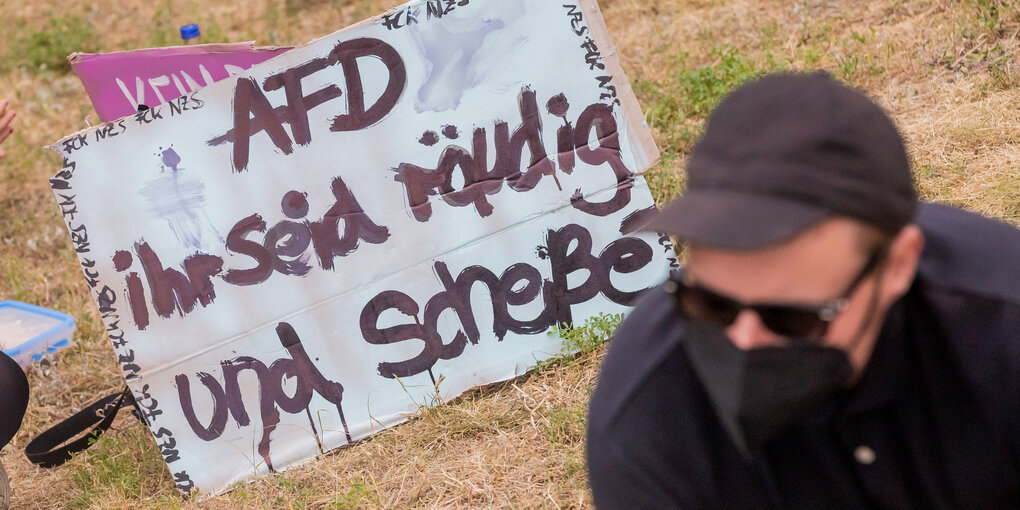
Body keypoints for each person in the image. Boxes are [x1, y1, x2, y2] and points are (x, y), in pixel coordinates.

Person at [587, 72, 1020, 509]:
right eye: (712, 305)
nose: (744, 341)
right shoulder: (647, 422)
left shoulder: (1004, 331)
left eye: (793, 318)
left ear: (897, 266)